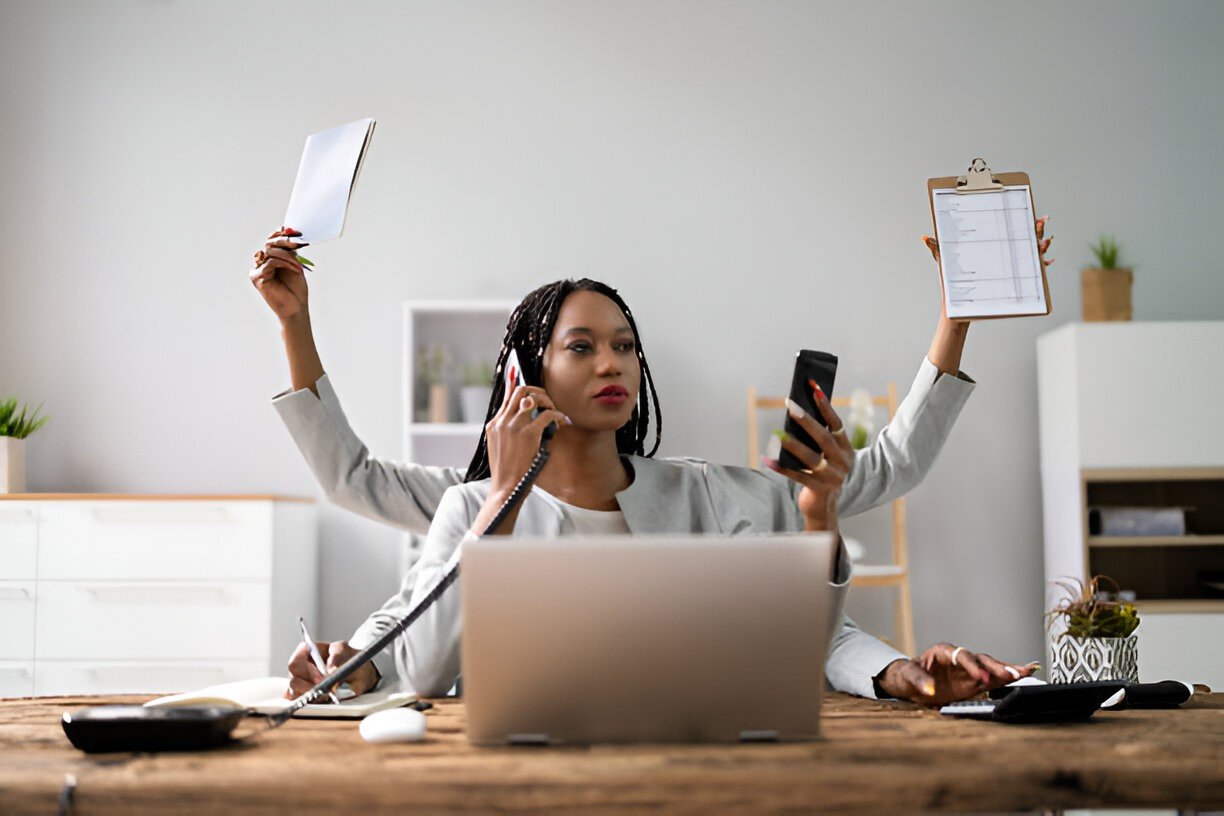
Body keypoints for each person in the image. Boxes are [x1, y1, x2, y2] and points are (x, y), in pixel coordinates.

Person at [251, 222, 1053, 706]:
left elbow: (875, 495)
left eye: (627, 347)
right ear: (524, 377)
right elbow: (408, 612)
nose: (614, 365)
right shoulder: (474, 504)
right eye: (583, 347)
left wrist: (957, 321)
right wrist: (353, 664)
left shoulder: (714, 496)